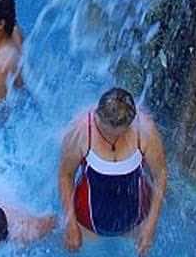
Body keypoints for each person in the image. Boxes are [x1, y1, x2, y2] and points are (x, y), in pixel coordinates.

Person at [57, 87, 169, 255]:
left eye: (117, 135)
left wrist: (151, 224)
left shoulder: (145, 132)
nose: (110, 140)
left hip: (136, 221)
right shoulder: (81, 131)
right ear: (97, 115)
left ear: (129, 125)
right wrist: (70, 223)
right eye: (104, 132)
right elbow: (65, 176)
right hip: (87, 223)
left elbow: (160, 175)